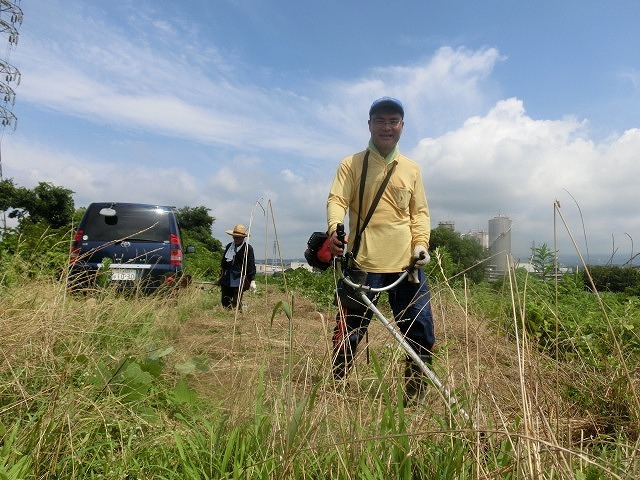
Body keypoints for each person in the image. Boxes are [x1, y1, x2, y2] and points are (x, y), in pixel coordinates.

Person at [326, 96, 435, 402]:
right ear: (370, 124)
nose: (387, 127)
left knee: (420, 328)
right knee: (349, 329)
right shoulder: (352, 164)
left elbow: (420, 212)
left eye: (393, 121)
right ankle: (337, 387)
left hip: (406, 266)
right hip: (362, 261)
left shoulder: (411, 169)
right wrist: (335, 229)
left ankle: (415, 397)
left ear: (402, 126)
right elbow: (337, 200)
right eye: (381, 120)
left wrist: (421, 245)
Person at [218, 224, 256, 309]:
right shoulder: (229, 246)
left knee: (236, 300)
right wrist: (220, 276)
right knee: (225, 300)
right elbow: (223, 263)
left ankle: (237, 313)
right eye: (235, 237)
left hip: (239, 277)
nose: (236, 239)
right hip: (227, 276)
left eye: (239, 237)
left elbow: (251, 264)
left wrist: (252, 280)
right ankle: (226, 314)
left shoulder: (248, 248)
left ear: (243, 238)